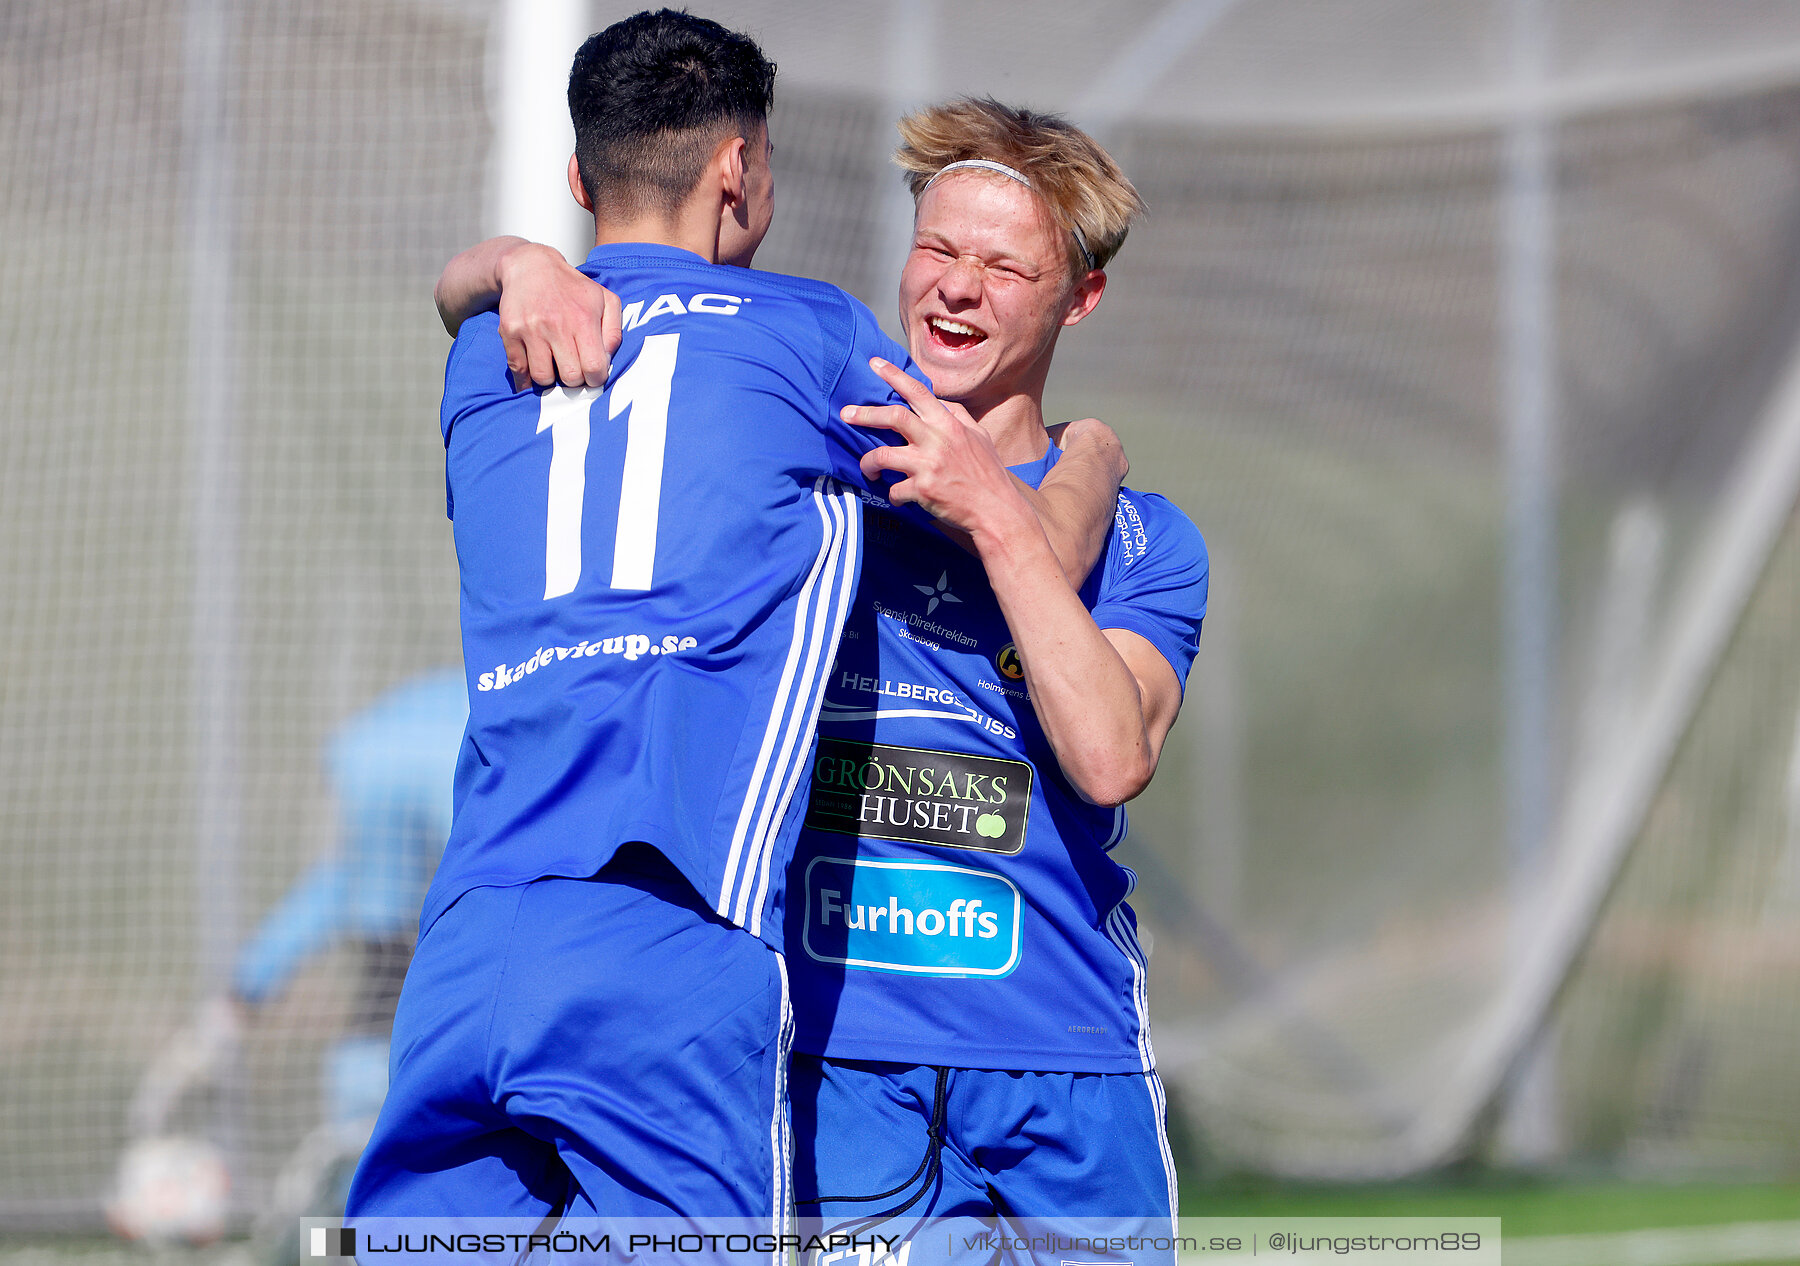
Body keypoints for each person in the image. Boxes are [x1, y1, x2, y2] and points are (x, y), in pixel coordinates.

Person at [349, 14, 1119, 1229]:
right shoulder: (807, 338)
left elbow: (457, 299)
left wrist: (512, 263)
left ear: (576, 179)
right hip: (669, 926)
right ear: (740, 172)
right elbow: (1034, 540)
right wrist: (1094, 453)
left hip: (468, 942)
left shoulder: (482, 360)